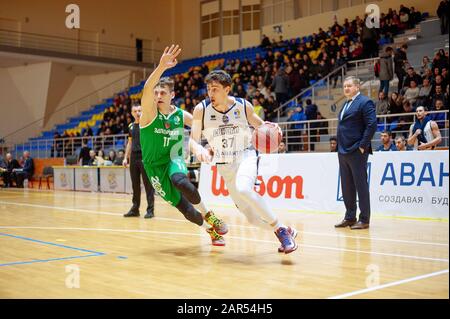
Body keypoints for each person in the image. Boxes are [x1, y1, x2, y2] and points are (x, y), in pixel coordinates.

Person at [190, 69, 298, 254]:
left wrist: (273, 130)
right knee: (252, 219)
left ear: (227, 89)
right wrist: (199, 149)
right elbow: (193, 139)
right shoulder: (201, 109)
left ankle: (281, 232)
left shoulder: (242, 105)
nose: (210, 93)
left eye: (215, 89)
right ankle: (286, 229)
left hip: (245, 154)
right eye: (208, 89)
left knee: (244, 188)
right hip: (224, 165)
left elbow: (261, 125)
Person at [139, 44, 228, 246]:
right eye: (157, 93)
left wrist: (214, 142)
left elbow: (203, 126)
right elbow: (146, 90)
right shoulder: (149, 114)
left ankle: (210, 215)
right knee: (184, 208)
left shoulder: (180, 115)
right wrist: (161, 66)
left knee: (180, 180)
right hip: (154, 167)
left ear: (172, 95)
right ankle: (209, 231)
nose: (158, 96)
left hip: (173, 158)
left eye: (163, 93)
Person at [335, 76, 377, 230]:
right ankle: (350, 217)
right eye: (344, 86)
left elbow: (372, 125)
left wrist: (362, 145)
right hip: (343, 150)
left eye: (349, 86)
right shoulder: (346, 104)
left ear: (357, 87)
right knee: (346, 186)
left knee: (361, 186)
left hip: (356, 150)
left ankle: (364, 219)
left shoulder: (365, 102)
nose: (346, 88)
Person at [122, 105, 156, 219]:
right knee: (135, 185)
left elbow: (152, 141)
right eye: (135, 111)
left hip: (145, 157)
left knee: (148, 184)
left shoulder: (147, 124)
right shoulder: (131, 126)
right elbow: (129, 143)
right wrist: (125, 157)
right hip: (133, 158)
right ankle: (135, 209)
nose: (137, 112)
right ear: (132, 113)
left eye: (139, 110)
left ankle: (150, 210)